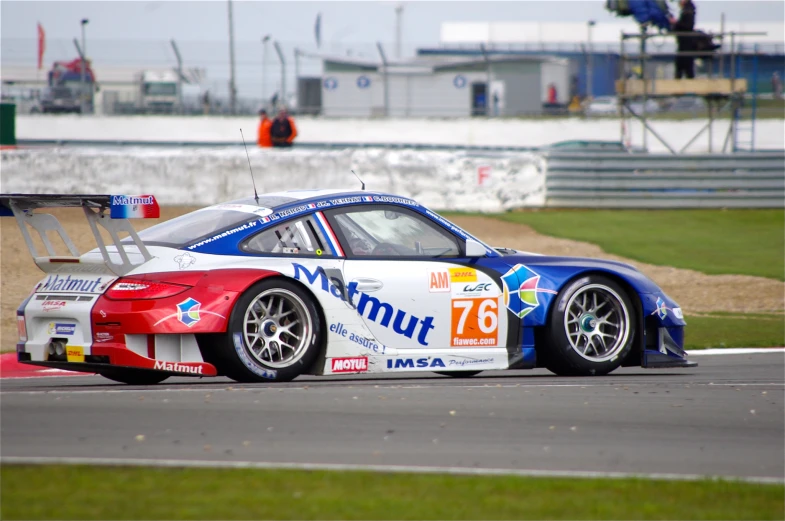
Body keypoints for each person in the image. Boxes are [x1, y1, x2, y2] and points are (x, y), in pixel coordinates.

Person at [669, 0, 696, 79]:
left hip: (685, 43)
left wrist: (676, 23)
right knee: (686, 67)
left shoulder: (688, 10)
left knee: (683, 65)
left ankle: (679, 85)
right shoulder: (689, 9)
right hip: (685, 43)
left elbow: (687, 26)